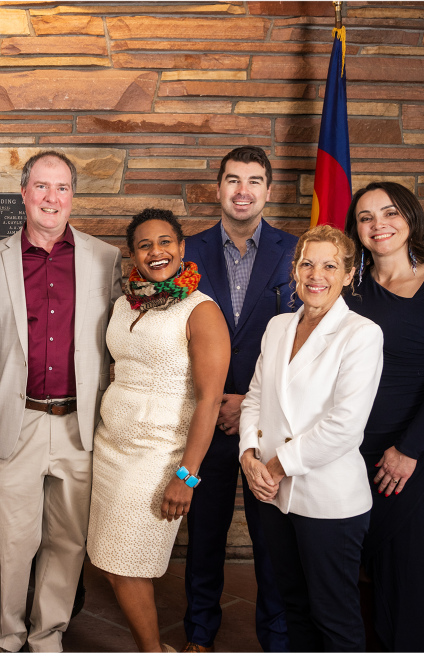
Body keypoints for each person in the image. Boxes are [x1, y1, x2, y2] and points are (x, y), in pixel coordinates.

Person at [0, 150, 123, 653]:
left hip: (79, 421)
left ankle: (47, 634)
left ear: (73, 197)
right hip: (16, 420)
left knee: (68, 538)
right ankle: (7, 633)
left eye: (61, 188)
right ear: (23, 193)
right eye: (41, 186)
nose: (51, 198)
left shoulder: (104, 259)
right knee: (8, 541)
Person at [343, 182, 424, 652]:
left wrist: (408, 450)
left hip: (413, 452)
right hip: (349, 452)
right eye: (365, 217)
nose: (378, 224)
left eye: (389, 212)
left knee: (414, 570)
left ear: (411, 218)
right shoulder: (348, 289)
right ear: (355, 230)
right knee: (358, 571)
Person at [88, 210, 229, 653]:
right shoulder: (124, 302)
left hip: (159, 453)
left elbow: (209, 400)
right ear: (133, 255)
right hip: (110, 446)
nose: (157, 252)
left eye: (166, 242)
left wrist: (187, 475)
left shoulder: (201, 310)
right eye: (146, 245)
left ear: (182, 248)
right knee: (111, 562)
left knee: (126, 563)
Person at [239, 225, 384, 653]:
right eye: (307, 264)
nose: (315, 274)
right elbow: (254, 399)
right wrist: (249, 454)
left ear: (348, 274)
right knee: (295, 607)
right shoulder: (278, 326)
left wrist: (274, 465)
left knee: (334, 616)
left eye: (329, 265)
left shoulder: (361, 334)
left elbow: (345, 425)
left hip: (328, 501)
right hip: (274, 496)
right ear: (294, 270)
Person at [180, 146, 294, 653]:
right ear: (219, 189)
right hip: (206, 419)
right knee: (204, 536)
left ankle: (275, 637)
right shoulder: (186, 251)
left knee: (273, 543)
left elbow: (304, 341)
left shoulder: (297, 253)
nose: (242, 190)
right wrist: (215, 399)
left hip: (267, 423)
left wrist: (244, 400)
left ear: (268, 191)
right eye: (232, 180)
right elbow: (171, 333)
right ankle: (199, 634)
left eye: (253, 181)